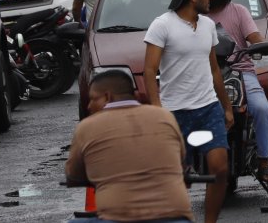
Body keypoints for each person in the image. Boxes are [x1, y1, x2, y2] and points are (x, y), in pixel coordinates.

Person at [143, 0, 233, 223]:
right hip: (174, 113)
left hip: (208, 108)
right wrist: (157, 110)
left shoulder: (208, 25)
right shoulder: (162, 25)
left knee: (220, 169)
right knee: (178, 179)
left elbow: (214, 69)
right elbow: (149, 70)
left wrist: (226, 106)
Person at [65, 70, 193, 223]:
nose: (89, 106)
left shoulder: (87, 126)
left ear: (108, 97)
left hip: (117, 218)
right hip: (174, 217)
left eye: (93, 99)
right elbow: (182, 162)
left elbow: (73, 175)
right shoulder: (165, 117)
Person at [201, 0, 268, 185]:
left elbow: (255, 38)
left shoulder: (238, 11)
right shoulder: (195, 15)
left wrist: (262, 45)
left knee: (261, 108)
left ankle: (263, 162)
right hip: (205, 75)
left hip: (241, 72)